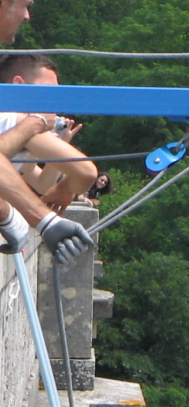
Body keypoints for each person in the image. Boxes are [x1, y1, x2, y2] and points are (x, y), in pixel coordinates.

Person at [0, 0, 94, 262]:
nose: (27, 16)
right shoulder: (19, 120)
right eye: (24, 5)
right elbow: (86, 171)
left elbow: (36, 180)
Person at [0, 54, 97, 211]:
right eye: (47, 91)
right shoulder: (18, 122)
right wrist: (64, 190)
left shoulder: (20, 127)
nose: (53, 101)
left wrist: (58, 145)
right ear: (18, 84)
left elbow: (41, 183)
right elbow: (86, 172)